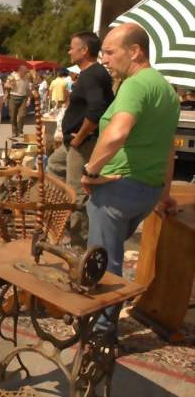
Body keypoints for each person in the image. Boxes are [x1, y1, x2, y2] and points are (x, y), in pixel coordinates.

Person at [81, 23, 180, 330]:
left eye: (110, 52)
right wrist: (163, 195)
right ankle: (103, 321)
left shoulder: (136, 84)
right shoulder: (167, 91)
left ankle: (102, 332)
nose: (104, 60)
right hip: (145, 192)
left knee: (104, 262)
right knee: (111, 254)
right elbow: (167, 151)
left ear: (135, 51)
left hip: (116, 190)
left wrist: (90, 170)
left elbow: (117, 133)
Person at [47, 32, 114, 247]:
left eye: (72, 47)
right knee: (53, 166)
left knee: (76, 192)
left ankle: (79, 243)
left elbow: (96, 110)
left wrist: (81, 138)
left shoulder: (92, 74)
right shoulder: (91, 74)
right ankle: (65, 223)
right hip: (73, 142)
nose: (69, 51)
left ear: (84, 50)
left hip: (81, 143)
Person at [4, 65, 31, 137]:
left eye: (26, 72)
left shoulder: (26, 78)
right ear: (20, 71)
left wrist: (29, 99)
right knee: (13, 116)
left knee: (22, 115)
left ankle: (20, 131)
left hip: (23, 98)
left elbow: (28, 89)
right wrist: (11, 85)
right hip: (13, 97)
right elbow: (5, 85)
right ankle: (14, 131)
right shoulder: (12, 76)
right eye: (25, 72)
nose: (26, 73)